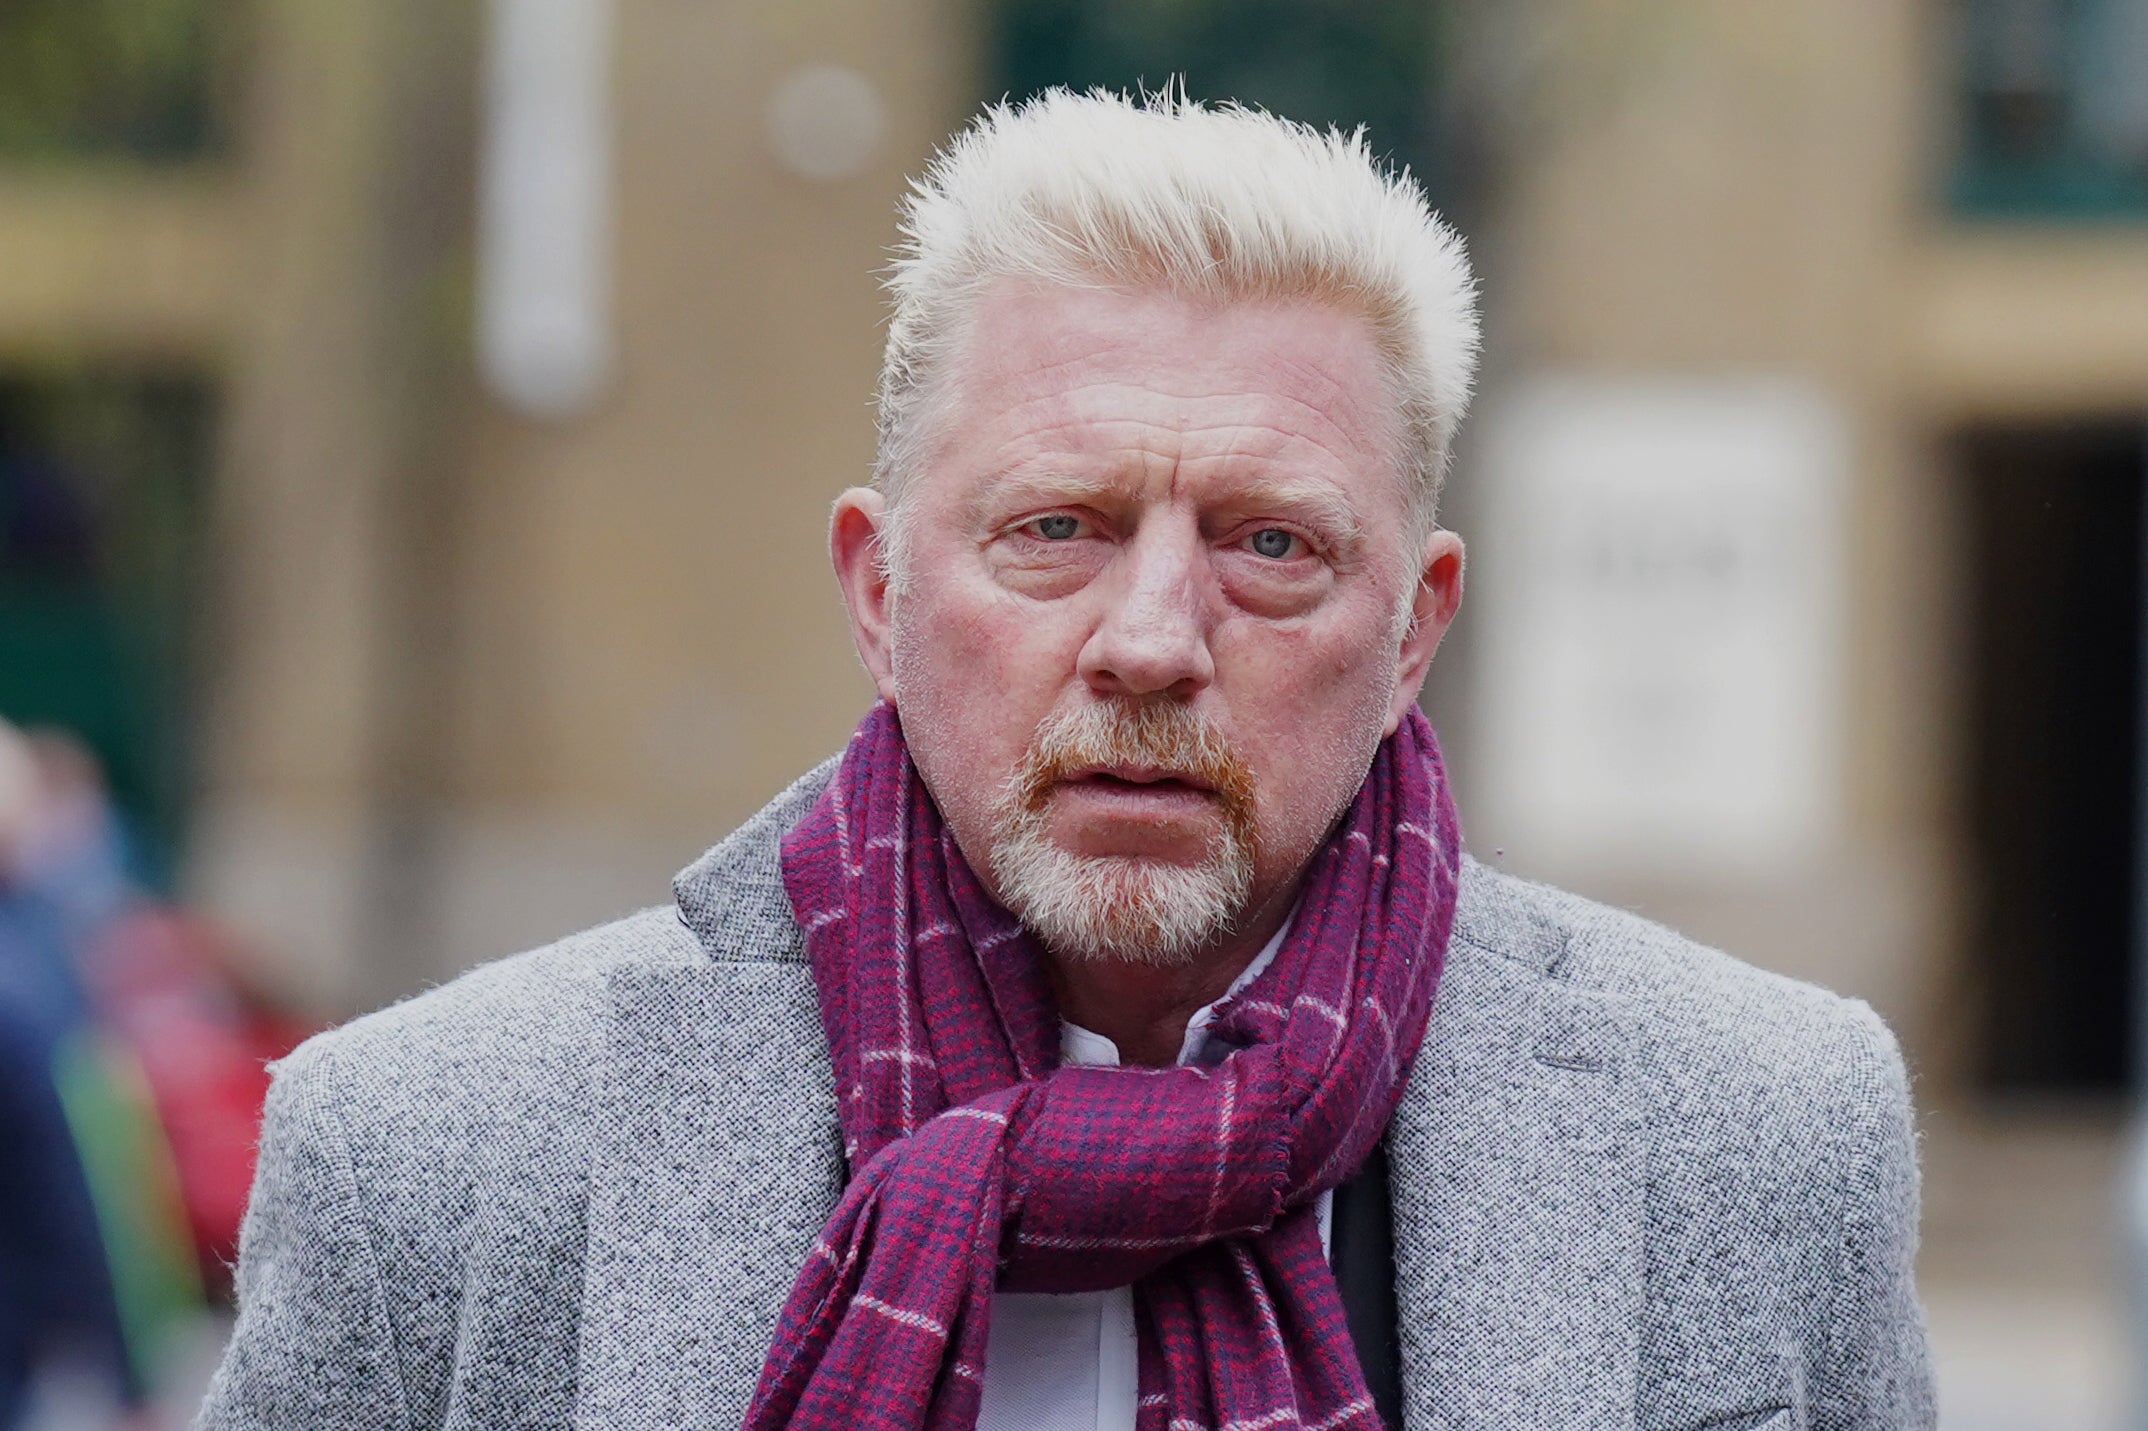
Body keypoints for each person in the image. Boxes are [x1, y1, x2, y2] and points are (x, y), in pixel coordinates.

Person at [198, 90, 1935, 1431]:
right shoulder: (427, 1161)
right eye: (1056, 526)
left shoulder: (1763, 1132)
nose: (1154, 639)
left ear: (1413, 631)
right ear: (880, 593)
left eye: (1270, 545)